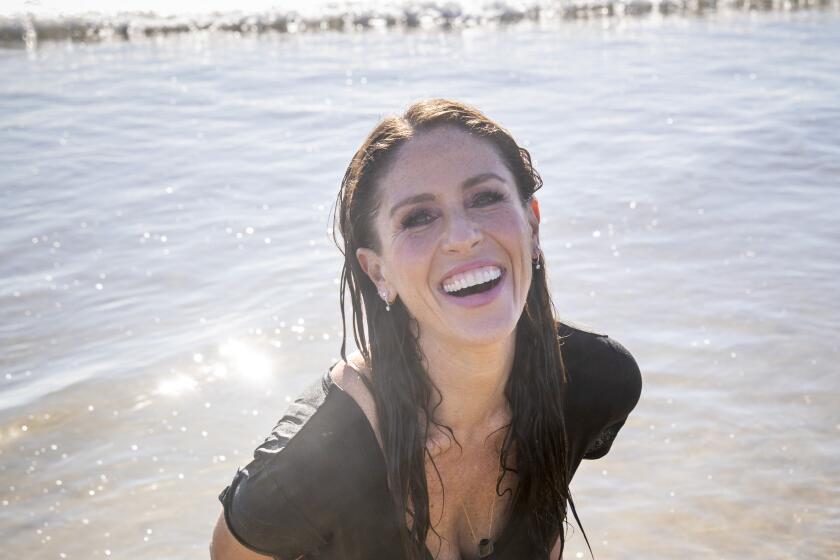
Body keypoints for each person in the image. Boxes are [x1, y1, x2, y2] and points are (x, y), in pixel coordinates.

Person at [210, 99, 642, 560]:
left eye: (485, 198)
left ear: (532, 223)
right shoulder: (312, 463)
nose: (462, 236)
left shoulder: (591, 382)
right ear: (377, 271)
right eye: (418, 217)